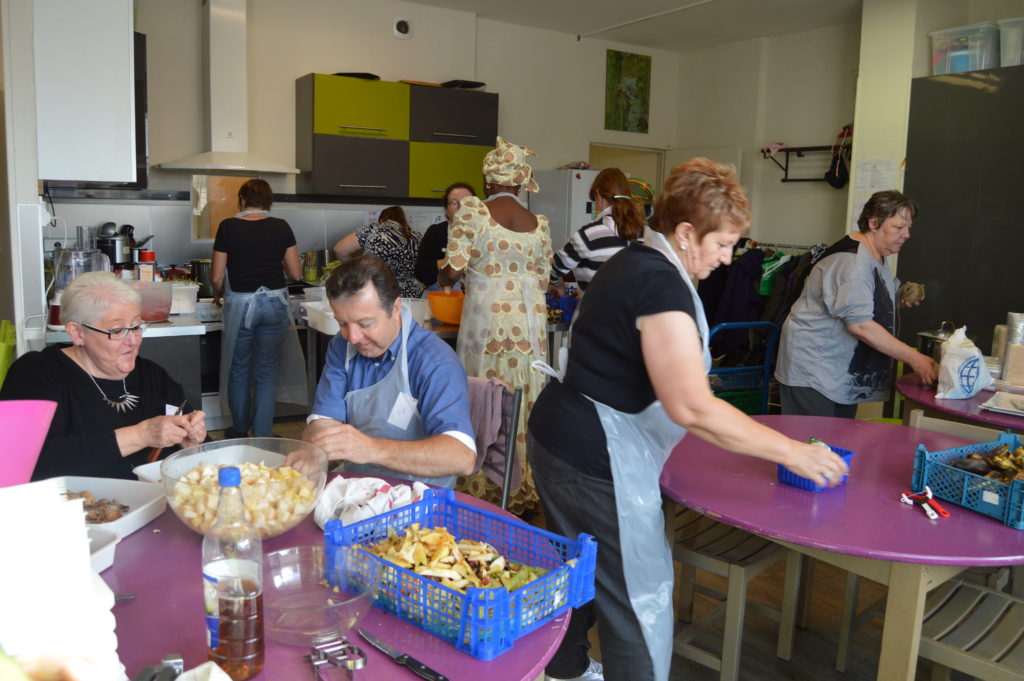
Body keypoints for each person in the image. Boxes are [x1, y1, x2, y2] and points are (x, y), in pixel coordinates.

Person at [527, 158, 849, 681]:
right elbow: (691, 406)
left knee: (579, 568)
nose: (727, 259)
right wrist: (793, 451)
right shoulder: (660, 285)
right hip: (593, 450)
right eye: (722, 244)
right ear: (684, 232)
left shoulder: (634, 261)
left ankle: (563, 671)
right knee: (635, 593)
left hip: (560, 433)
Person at [438, 136, 552, 515]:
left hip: (486, 328)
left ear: (488, 180)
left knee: (483, 396)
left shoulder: (472, 212)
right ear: (522, 182)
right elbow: (544, 281)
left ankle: (484, 485)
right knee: (524, 400)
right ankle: (524, 487)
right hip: (530, 332)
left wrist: (449, 271)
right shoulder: (540, 225)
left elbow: (451, 274)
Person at [0, 272, 207, 480]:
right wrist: (141, 435)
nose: (133, 341)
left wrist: (191, 442)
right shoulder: (36, 374)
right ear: (78, 333)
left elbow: (192, 452)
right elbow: (20, 463)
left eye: (136, 327)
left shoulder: (152, 375)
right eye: (116, 331)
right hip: (75, 507)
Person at [302, 254, 475, 487]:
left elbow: (461, 456)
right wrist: (313, 450)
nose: (352, 337)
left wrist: (372, 449)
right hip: (357, 489)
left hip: (419, 501)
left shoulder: (435, 362)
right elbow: (325, 420)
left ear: (395, 308)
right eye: (342, 323)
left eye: (365, 324)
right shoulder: (342, 346)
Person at [775, 190, 938, 417]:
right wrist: (915, 358)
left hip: (838, 373)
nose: (906, 235)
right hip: (814, 373)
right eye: (899, 227)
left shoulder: (876, 256)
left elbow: (862, 301)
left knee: (837, 444)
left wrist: (896, 299)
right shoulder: (851, 263)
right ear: (873, 223)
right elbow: (860, 325)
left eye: (908, 228)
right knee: (814, 446)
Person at [211, 178, 306, 438]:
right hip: (275, 304)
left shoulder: (228, 227)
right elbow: (296, 273)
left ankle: (240, 430)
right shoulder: (281, 227)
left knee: (239, 368)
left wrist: (218, 294)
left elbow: (217, 276)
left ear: (242, 200)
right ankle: (263, 433)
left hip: (241, 304)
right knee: (267, 371)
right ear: (268, 202)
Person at [548, 168, 645, 296]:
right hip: (635, 313)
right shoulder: (643, 233)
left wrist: (559, 284)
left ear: (598, 195)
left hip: (598, 313)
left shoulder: (587, 236)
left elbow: (552, 270)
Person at [334, 205, 423, 298]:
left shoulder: (373, 229)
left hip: (378, 293)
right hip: (411, 296)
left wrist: (356, 270)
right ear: (403, 220)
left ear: (381, 220)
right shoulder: (417, 236)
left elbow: (340, 249)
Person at [414, 182, 476, 293]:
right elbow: (421, 273)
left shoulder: (485, 235)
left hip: (473, 298)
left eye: (467, 203)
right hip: (439, 297)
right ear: (446, 210)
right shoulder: (435, 232)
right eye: (454, 203)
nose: (461, 208)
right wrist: (446, 262)